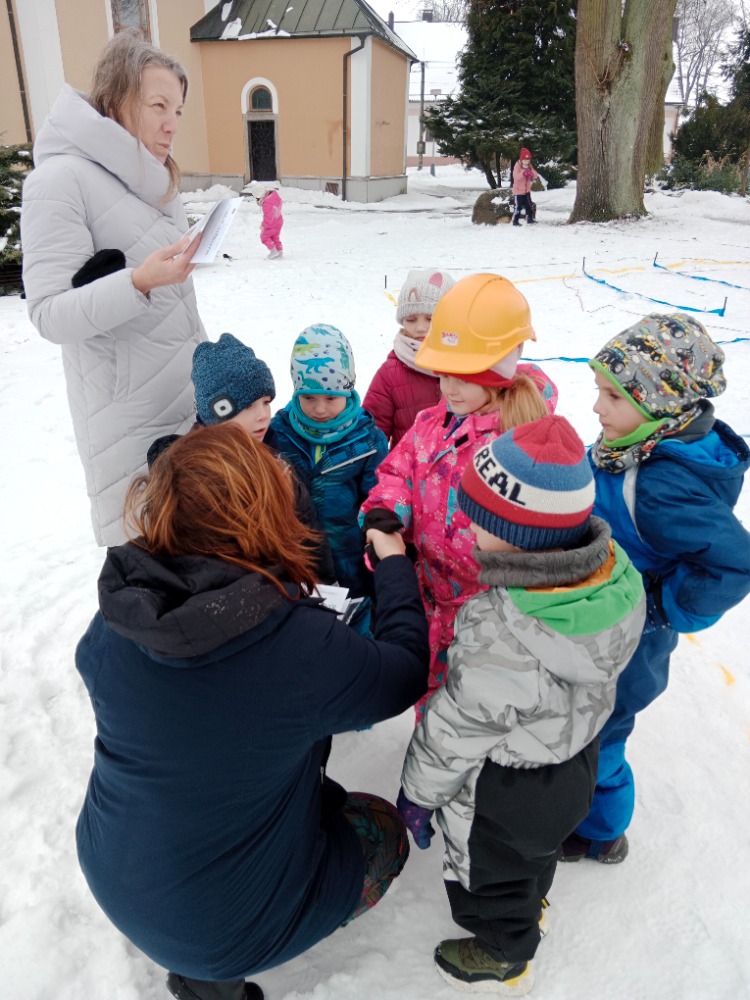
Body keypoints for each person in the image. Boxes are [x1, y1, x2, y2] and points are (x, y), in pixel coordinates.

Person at [74, 423, 429, 1000]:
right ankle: (210, 982)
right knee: (382, 831)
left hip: (111, 864)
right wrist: (393, 564)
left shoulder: (121, 613)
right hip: (221, 931)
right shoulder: (298, 647)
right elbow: (404, 672)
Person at [397, 416, 646, 996]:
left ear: (518, 537)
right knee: (534, 857)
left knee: (490, 880)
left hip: (506, 790)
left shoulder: (500, 633)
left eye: (479, 520)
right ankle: (531, 903)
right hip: (575, 758)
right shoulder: (613, 577)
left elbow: (455, 730)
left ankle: (503, 951)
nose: (467, 527)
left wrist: (418, 794)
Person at [561, 313, 750, 864]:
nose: (596, 408)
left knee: (603, 736)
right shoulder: (632, 442)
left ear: (659, 403)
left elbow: (734, 565)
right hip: (597, 615)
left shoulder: (663, 486)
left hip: (631, 642)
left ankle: (603, 831)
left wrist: (660, 607)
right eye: (599, 391)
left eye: (612, 397)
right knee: (579, 722)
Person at [20, 29, 207, 546]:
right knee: (145, 572)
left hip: (187, 406)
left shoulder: (156, 182)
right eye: (158, 106)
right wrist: (139, 281)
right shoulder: (59, 182)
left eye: (178, 110)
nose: (172, 125)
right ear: (117, 99)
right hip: (127, 423)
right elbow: (48, 314)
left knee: (196, 568)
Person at [360, 273, 557, 716]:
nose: (448, 388)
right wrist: (386, 512)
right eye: (443, 374)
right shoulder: (432, 423)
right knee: (428, 700)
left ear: (497, 372)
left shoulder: (522, 443)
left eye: (463, 378)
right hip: (428, 599)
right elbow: (398, 472)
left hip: (492, 616)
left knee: (478, 710)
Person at [150, 331, 335, 585]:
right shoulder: (186, 479)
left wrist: (325, 583)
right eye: (248, 406)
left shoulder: (278, 462)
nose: (263, 415)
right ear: (217, 411)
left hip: (286, 591)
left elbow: (307, 533)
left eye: (266, 402)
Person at [265, 324, 389, 631]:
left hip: (350, 566)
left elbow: (378, 501)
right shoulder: (278, 433)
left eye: (331, 398)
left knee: (354, 634)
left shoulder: (368, 441)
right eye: (308, 397)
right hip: (295, 564)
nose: (319, 409)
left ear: (348, 390)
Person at [363, 269, 455, 448]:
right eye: (411, 319)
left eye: (430, 319)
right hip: (407, 465)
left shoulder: (470, 365)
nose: (420, 328)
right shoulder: (390, 373)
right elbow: (372, 437)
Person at [249, 182, 283, 259]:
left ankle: (273, 251)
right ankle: (279, 250)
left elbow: (268, 216)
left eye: (257, 199)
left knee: (264, 236)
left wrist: (264, 225)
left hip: (272, 223)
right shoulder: (274, 195)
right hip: (279, 220)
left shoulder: (266, 204)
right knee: (275, 237)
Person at [512, 147, 538, 226]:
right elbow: (515, 177)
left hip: (527, 191)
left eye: (528, 160)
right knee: (518, 207)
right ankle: (515, 221)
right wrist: (523, 173)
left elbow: (535, 176)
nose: (527, 162)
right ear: (521, 159)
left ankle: (529, 219)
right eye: (525, 160)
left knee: (529, 206)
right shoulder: (517, 166)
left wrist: (531, 173)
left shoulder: (529, 166)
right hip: (518, 192)